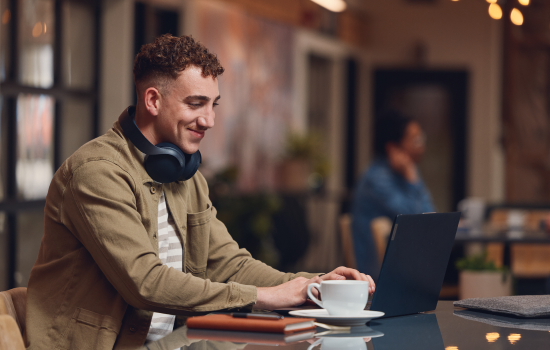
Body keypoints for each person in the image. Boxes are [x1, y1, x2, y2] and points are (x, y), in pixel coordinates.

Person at [25, 34, 375, 350]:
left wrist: (312, 285)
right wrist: (267, 297)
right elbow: (145, 283)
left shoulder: (186, 174)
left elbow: (226, 262)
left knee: (277, 340)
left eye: (213, 105)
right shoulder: (97, 172)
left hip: (171, 342)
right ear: (152, 100)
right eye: (196, 104)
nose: (208, 120)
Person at [351, 111, 434, 280]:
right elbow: (419, 220)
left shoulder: (404, 173)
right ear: (393, 148)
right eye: (415, 140)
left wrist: (412, 176)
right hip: (376, 274)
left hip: (398, 263)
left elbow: (430, 214)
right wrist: (412, 178)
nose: (421, 146)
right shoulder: (377, 179)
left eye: (421, 139)